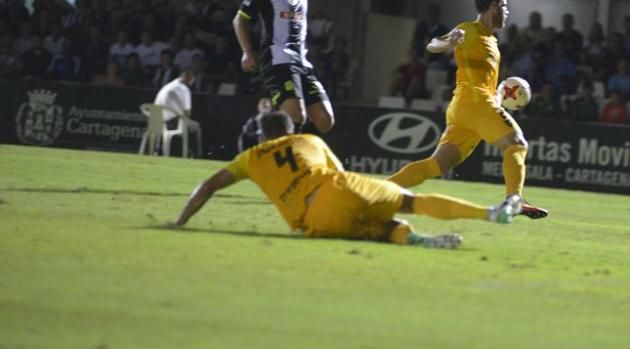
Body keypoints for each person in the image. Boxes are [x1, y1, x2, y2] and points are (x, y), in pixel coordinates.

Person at [173, 111, 521, 249]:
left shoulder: (249, 158)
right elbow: (340, 174)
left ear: (263, 137)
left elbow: (207, 186)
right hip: (335, 188)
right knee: (407, 203)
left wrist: (180, 221)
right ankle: (489, 214)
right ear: (290, 130)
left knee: (379, 228)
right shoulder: (308, 140)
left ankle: (416, 241)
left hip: (314, 222)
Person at [386, 0, 548, 220]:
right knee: (516, 145)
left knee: (438, 165)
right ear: (494, 7)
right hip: (474, 102)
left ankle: (378, 192)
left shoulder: (491, 40)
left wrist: (499, 97)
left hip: (465, 107)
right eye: (505, 7)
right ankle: (515, 200)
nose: (507, 13)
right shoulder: (469, 30)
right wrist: (450, 41)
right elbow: (433, 45)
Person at [234, 0, 334, 134]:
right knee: (296, 116)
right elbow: (240, 20)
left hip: (301, 61)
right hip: (278, 58)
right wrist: (247, 52)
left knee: (325, 119)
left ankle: (286, 147)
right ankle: (271, 153)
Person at [153, 69, 203, 157]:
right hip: (173, 123)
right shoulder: (184, 89)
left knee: (187, 124)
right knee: (196, 126)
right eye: (192, 79)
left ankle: (158, 149)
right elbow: (188, 113)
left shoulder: (168, 86)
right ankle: (196, 155)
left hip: (157, 121)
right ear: (190, 79)